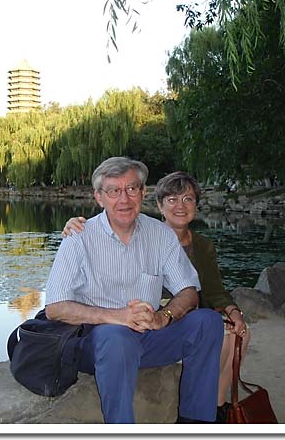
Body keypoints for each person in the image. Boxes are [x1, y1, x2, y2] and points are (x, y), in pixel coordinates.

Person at [45, 157, 226, 424]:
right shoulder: (79, 238)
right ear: (99, 197)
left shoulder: (161, 234)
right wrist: (118, 316)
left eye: (132, 189)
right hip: (97, 342)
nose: (124, 199)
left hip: (148, 335)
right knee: (116, 338)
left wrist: (163, 317)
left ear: (143, 192)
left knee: (208, 322)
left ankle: (195, 423)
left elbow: (188, 290)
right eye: (113, 191)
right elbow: (55, 308)